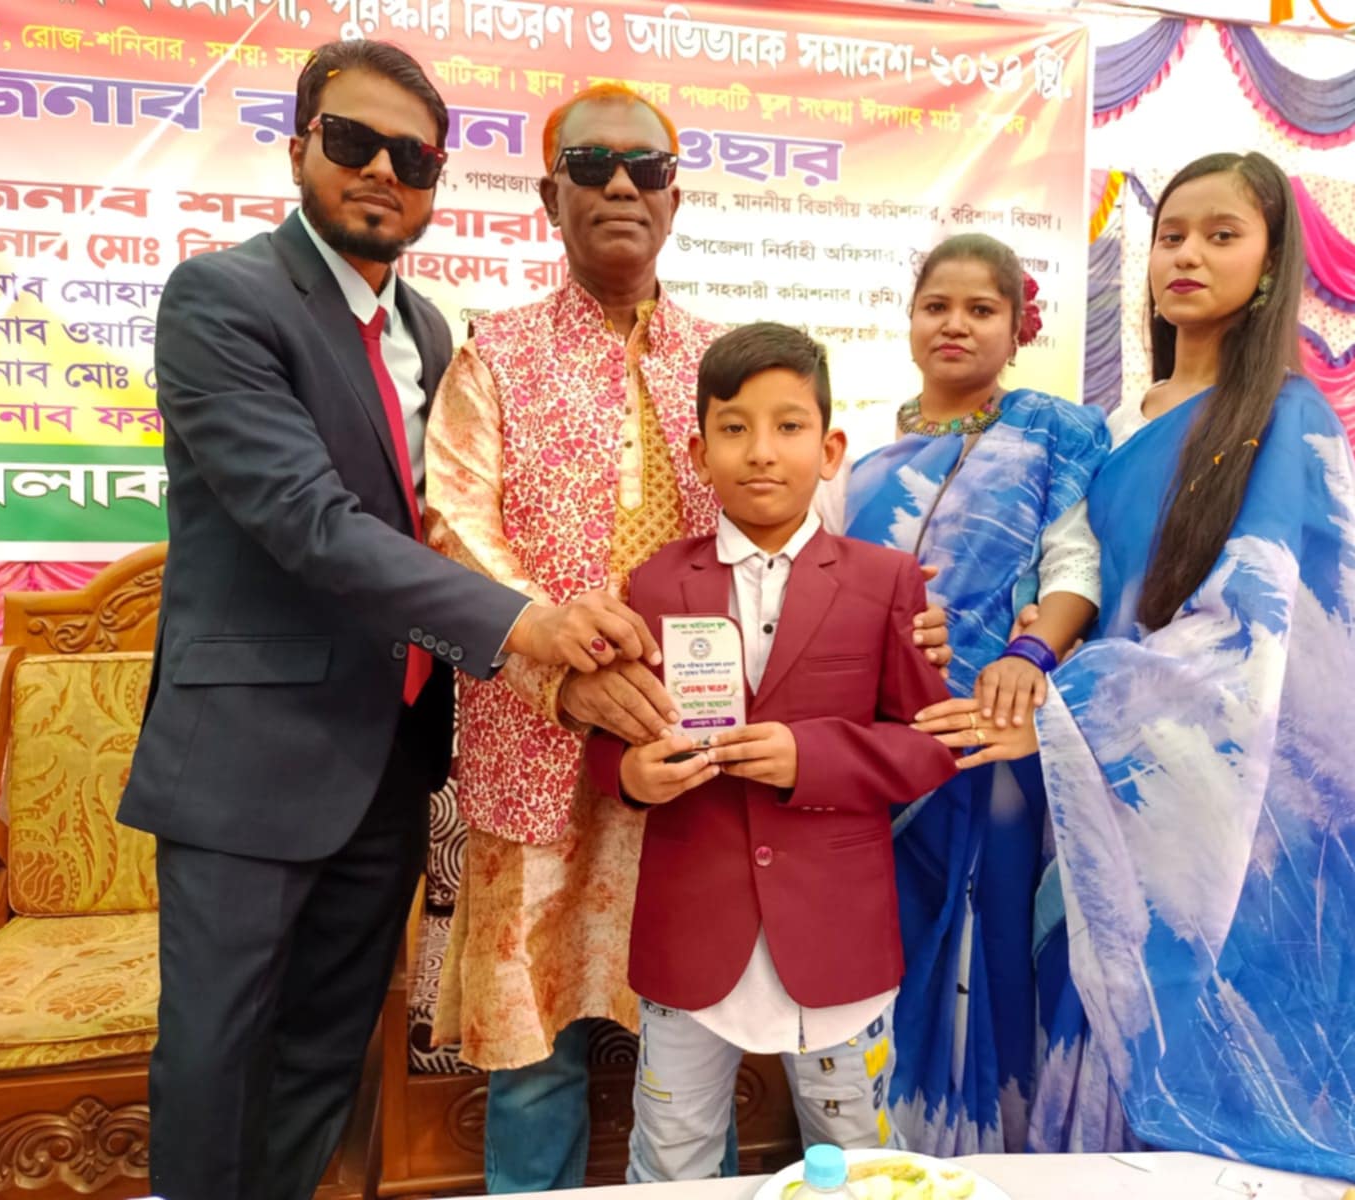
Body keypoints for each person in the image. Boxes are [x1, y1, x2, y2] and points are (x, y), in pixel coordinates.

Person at [119, 44, 655, 1200]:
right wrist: (527, 624)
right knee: (216, 1055)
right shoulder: (222, 298)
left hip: (392, 759)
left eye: (411, 156)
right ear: (299, 145)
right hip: (251, 756)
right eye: (354, 141)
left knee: (325, 1050)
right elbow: (308, 521)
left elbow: (450, 524)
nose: (381, 172)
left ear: (436, 178)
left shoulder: (432, 333)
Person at [424, 84, 954, 1191]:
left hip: (705, 769)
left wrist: (910, 619)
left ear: (675, 198)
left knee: (693, 1016)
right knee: (539, 1048)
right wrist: (558, 664)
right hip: (539, 746)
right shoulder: (494, 356)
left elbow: (804, 542)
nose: (621, 184)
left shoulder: (721, 364)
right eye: (591, 165)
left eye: (647, 168)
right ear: (549, 196)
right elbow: (455, 535)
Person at [914, 152, 1355, 1187]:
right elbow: (1084, 584)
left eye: (1222, 235)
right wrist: (1012, 650)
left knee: (1203, 1075)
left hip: (1235, 807)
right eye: (1171, 234)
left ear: (1269, 265)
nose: (1187, 254)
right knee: (1092, 1028)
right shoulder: (1121, 421)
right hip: (1100, 792)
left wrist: (1059, 711)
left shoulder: (1290, 417)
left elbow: (1255, 632)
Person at [585, 322, 959, 1182]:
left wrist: (810, 758)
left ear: (829, 450)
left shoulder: (884, 580)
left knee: (856, 1162)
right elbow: (609, 740)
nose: (760, 451)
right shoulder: (654, 581)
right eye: (733, 427)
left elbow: (929, 748)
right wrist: (630, 776)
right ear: (698, 452)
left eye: (788, 426)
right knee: (670, 1156)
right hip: (691, 934)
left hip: (836, 938)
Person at [835, 233, 1109, 1153]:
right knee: (895, 949)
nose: (954, 324)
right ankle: (895, 1151)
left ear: (1018, 327)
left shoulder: (1047, 436)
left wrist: (1029, 650)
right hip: (883, 756)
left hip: (998, 741)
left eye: (980, 309)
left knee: (989, 948)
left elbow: (1075, 564)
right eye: (936, 306)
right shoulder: (860, 469)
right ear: (910, 320)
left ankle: (994, 1151)